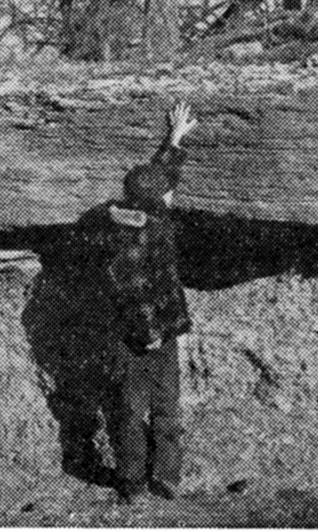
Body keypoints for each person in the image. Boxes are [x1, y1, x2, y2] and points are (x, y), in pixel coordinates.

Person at [99, 100, 198, 504]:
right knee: (133, 412)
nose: (169, 195)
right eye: (163, 193)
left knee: (163, 408)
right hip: (140, 339)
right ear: (149, 200)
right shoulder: (127, 239)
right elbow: (134, 290)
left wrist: (173, 140)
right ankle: (133, 482)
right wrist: (152, 334)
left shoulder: (142, 211)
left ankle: (165, 477)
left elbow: (162, 178)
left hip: (161, 333)